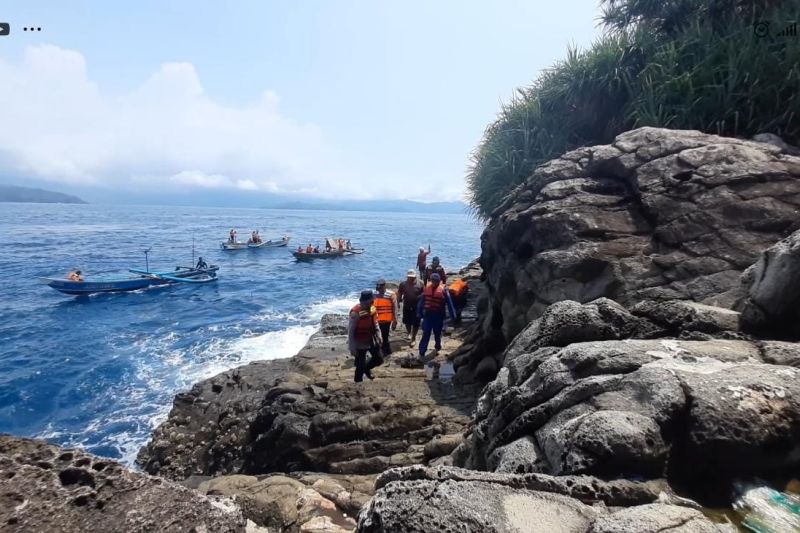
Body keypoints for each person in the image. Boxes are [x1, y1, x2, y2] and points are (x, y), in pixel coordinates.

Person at [417, 273, 456, 361]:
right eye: (432, 280)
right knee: (426, 333)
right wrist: (419, 312)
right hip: (428, 315)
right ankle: (421, 352)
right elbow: (422, 301)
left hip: (438, 315)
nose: (433, 282)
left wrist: (453, 315)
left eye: (435, 281)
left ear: (438, 281)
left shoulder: (444, 290)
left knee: (437, 333)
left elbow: (450, 303)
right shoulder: (427, 288)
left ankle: (437, 346)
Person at [348, 290, 384, 382]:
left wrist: (379, 335)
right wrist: (352, 347)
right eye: (370, 302)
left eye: (372, 301)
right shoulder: (355, 313)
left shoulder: (372, 308)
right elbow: (351, 331)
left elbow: (375, 323)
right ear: (363, 302)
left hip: (371, 339)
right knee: (360, 366)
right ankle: (358, 383)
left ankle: (367, 368)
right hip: (359, 341)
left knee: (379, 359)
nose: (372, 303)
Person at [397, 269, 425, 345]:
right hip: (406, 305)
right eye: (409, 277)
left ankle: (413, 338)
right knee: (407, 322)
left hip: (417, 307)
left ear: (415, 276)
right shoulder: (403, 284)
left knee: (416, 323)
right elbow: (399, 292)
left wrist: (424, 305)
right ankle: (409, 333)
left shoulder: (421, 283)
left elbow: (424, 294)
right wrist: (398, 302)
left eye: (412, 277)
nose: (411, 278)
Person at [373, 278, 397, 356]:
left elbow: (394, 307)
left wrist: (394, 320)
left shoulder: (391, 294)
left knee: (384, 335)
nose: (379, 290)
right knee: (379, 335)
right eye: (378, 288)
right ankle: (384, 350)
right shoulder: (375, 295)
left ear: (384, 286)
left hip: (387, 318)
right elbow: (373, 307)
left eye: (380, 288)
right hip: (377, 318)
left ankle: (386, 351)